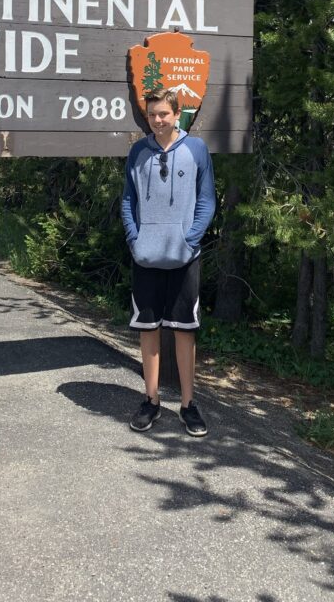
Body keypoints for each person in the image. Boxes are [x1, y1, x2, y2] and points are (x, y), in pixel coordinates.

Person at [121, 89, 216, 436]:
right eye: (152, 115)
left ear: (178, 115)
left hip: (183, 257)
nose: (158, 120)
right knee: (148, 330)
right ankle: (151, 400)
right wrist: (135, 239)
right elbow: (128, 201)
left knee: (184, 331)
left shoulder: (197, 150)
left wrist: (189, 239)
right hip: (146, 257)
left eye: (164, 114)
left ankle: (189, 404)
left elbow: (206, 201)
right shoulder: (137, 152)